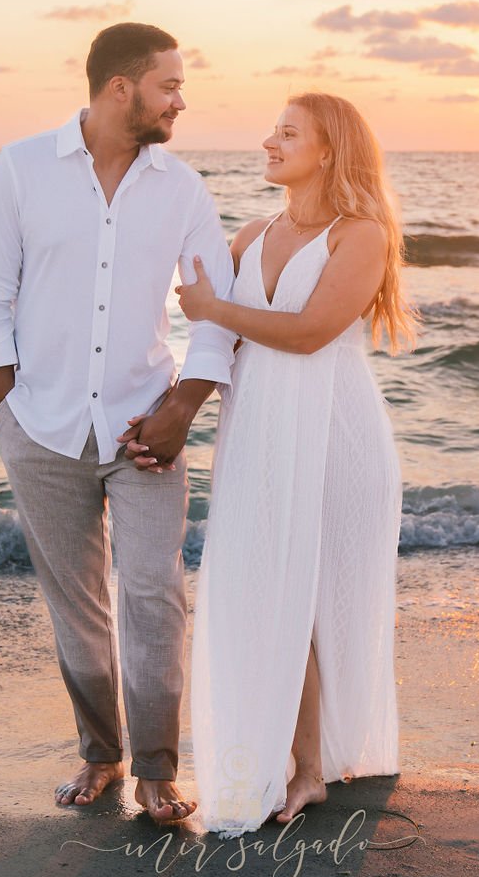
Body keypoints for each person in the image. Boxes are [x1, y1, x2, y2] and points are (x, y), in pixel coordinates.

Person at [0, 23, 236, 825]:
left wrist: (183, 406)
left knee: (154, 592)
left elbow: (212, 308)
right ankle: (100, 752)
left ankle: (155, 766)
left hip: (144, 427)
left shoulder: (181, 188)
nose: (181, 98)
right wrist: (8, 412)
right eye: (170, 85)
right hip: (40, 427)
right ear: (122, 87)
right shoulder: (20, 170)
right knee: (75, 602)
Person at [176, 92, 415, 836]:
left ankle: (309, 768)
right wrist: (162, 407)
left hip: (337, 436)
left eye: (287, 133)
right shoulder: (251, 234)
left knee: (311, 597)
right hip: (258, 432)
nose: (267, 142)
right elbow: (215, 337)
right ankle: (295, 755)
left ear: (329, 150)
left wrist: (213, 309)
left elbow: (311, 332)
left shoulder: (361, 235)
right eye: (273, 129)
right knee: (261, 583)